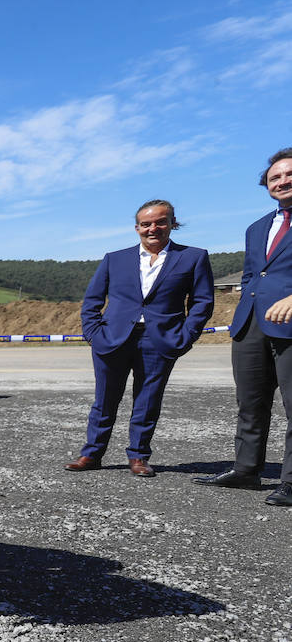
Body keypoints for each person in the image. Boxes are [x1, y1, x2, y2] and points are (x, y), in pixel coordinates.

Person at [66, 200, 214, 477]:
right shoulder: (115, 258)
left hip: (160, 340)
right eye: (146, 224)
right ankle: (92, 453)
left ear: (172, 223)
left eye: (160, 222)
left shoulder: (193, 257)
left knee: (147, 400)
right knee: (105, 399)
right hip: (113, 339)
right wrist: (94, 334)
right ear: (137, 228)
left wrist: (185, 336)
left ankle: (138, 456)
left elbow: (202, 302)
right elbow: (92, 301)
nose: (152, 228)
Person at [194, 148, 292, 506]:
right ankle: (247, 470)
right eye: (274, 178)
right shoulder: (257, 227)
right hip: (251, 323)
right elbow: (253, 273)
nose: (282, 181)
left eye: (288, 173)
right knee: (250, 402)